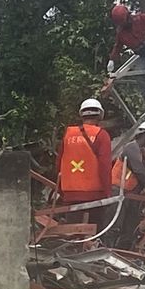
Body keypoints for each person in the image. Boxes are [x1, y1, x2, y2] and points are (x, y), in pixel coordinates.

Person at [55, 98, 113, 233]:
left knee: (72, 230)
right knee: (94, 231)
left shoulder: (68, 134)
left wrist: (61, 189)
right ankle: (91, 249)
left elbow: (58, 163)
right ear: (100, 115)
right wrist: (107, 192)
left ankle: (70, 250)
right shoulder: (102, 135)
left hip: (70, 192)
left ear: (82, 115)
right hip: (94, 193)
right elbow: (105, 166)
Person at [110, 120, 145, 250]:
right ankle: (108, 249)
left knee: (130, 226)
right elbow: (139, 171)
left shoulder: (143, 153)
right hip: (118, 191)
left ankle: (124, 250)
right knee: (115, 224)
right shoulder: (131, 148)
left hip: (131, 195)